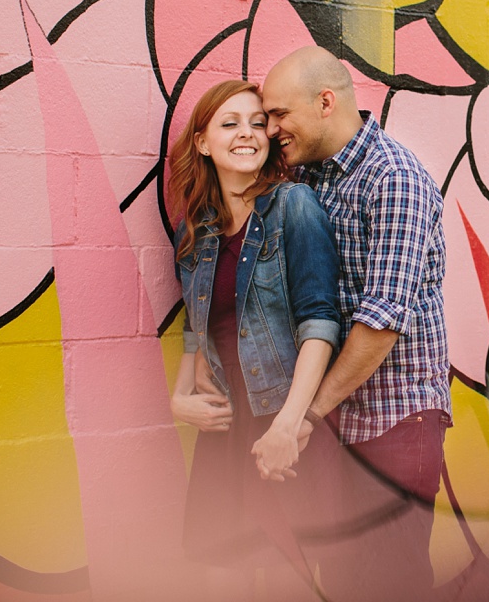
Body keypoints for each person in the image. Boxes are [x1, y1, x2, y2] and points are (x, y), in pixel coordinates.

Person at [261, 45, 451, 600]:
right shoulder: (315, 178)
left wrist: (306, 415)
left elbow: (381, 321)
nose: (271, 129)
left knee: (393, 580)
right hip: (340, 423)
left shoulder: (394, 178)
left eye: (279, 114)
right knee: (342, 581)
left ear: (325, 101)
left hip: (396, 424)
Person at [168, 79, 341, 600]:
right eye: (229, 123)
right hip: (224, 432)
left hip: (283, 429)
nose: (248, 134)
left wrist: (290, 425)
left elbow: (321, 322)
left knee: (292, 579)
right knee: (222, 579)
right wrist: (180, 396)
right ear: (202, 142)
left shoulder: (294, 206)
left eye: (256, 122)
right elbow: (195, 326)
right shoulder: (194, 228)